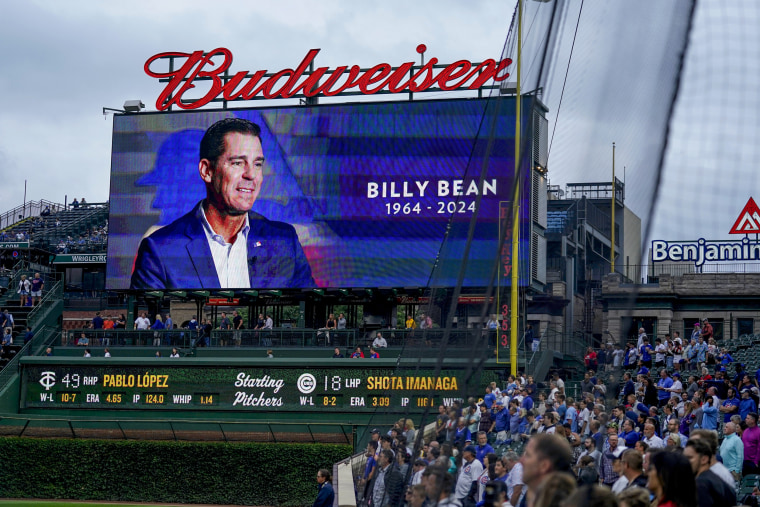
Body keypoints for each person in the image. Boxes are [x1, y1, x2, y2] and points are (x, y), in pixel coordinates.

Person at [130, 118, 314, 289]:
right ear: (206, 171)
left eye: (257, 164)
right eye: (237, 163)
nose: (251, 175)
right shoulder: (159, 248)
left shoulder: (284, 240)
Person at [684, 439, 736, 507]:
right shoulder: (716, 479)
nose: (685, 461)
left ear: (704, 459)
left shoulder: (701, 483)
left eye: (690, 458)